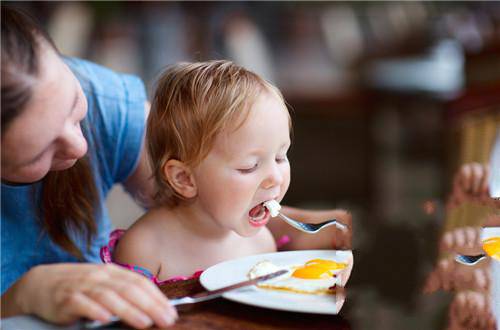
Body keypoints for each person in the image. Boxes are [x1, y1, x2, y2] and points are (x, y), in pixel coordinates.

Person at [1, 7, 352, 328]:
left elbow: (207, 196)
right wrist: (19, 297)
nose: (81, 147)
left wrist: (322, 239)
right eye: (38, 153)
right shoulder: (143, 249)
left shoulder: (103, 101)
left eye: (76, 106)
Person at [102, 61, 352, 283]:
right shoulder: (145, 249)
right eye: (249, 166)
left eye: (280, 157)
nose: (275, 177)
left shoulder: (260, 242)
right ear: (184, 178)